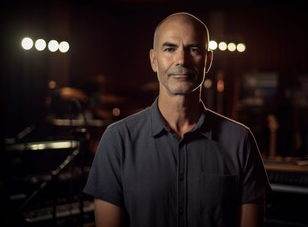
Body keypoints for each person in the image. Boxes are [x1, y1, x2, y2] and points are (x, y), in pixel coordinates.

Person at [83, 12, 272, 227]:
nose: (181, 60)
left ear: (208, 60)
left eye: (193, 49)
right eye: (170, 49)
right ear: (154, 60)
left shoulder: (240, 141)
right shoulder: (117, 140)